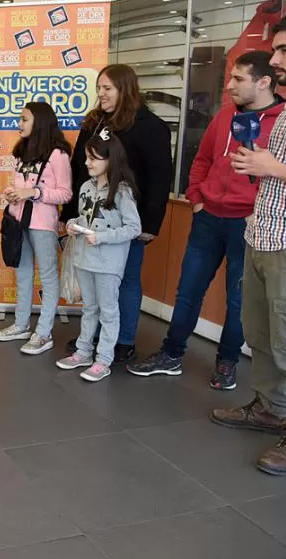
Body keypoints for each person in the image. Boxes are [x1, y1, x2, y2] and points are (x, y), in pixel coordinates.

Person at [129, 51, 283, 390]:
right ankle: (171, 354)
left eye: (238, 79)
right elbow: (201, 160)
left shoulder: (283, 121)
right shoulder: (224, 117)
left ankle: (227, 363)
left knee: (239, 300)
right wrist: (196, 198)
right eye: (229, 78)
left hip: (249, 224)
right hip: (209, 218)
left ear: (264, 82)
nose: (229, 86)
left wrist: (258, 211)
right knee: (188, 290)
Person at [211, 10, 286, 476]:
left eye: (284, 49)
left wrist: (272, 167)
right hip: (261, 235)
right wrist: (262, 164)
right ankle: (270, 408)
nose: (276, 59)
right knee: (261, 335)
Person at [61, 64, 173, 364]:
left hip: (127, 221)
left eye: (107, 88)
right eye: (99, 88)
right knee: (95, 283)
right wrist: (69, 213)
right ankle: (94, 337)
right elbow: (78, 168)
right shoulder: (94, 122)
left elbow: (159, 179)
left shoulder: (150, 127)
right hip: (90, 218)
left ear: (125, 89)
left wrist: (150, 224)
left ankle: (123, 340)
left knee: (126, 280)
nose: (101, 94)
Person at [57, 132, 142, 382]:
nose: (87, 163)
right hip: (84, 259)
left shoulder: (122, 192)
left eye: (93, 158)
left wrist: (102, 237)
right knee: (89, 308)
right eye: (86, 157)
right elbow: (85, 217)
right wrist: (73, 224)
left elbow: (133, 228)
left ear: (110, 159)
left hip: (108, 264)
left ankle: (104, 359)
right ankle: (83, 351)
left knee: (108, 312)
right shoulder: (85, 187)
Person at [0, 102, 73, 355]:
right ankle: (21, 325)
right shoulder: (22, 150)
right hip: (18, 221)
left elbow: (65, 193)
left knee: (48, 277)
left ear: (40, 122)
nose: (19, 124)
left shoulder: (58, 154)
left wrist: (34, 192)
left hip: (43, 224)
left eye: (24, 119)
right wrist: (13, 193)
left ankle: (44, 333)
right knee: (23, 273)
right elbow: (19, 184)